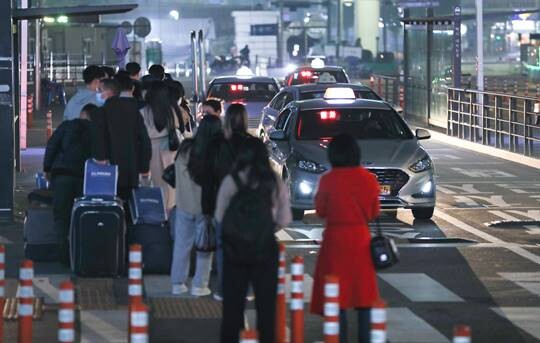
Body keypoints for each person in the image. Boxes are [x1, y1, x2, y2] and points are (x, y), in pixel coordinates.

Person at [215, 137, 292, 343]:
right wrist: (264, 228)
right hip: (265, 249)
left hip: (234, 251)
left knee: (233, 308)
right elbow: (284, 219)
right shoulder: (274, 181)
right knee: (267, 309)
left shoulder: (231, 181)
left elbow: (220, 216)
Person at [310, 134, 380, 343]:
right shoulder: (368, 179)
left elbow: (321, 210)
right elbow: (373, 212)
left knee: (335, 294)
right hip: (360, 240)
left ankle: (338, 338)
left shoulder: (328, 180)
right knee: (363, 295)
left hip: (334, 242)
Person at [170, 116, 222, 297]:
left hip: (184, 203)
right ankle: (199, 285)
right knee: (204, 246)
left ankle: (177, 283)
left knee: (181, 245)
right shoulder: (214, 152)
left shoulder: (185, 148)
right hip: (206, 207)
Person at [44, 103, 98, 265]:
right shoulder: (96, 131)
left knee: (61, 216)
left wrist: (48, 168)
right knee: (82, 216)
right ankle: (80, 254)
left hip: (62, 177)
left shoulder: (66, 126)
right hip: (84, 178)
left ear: (82, 113)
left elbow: (52, 146)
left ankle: (63, 253)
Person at [213, 103, 251, 300]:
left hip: (223, 200)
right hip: (248, 203)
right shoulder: (253, 144)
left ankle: (222, 289)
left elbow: (213, 172)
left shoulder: (219, 143)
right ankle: (246, 289)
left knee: (222, 247)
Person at [93, 79, 152, 203]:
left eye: (100, 90)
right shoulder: (133, 111)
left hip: (109, 171)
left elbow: (100, 141)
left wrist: (100, 159)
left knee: (112, 207)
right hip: (132, 171)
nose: (97, 93)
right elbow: (144, 140)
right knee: (131, 205)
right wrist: (144, 167)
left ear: (108, 92)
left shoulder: (101, 112)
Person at [140, 81, 180, 210]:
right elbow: (177, 128)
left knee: (152, 185)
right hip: (169, 151)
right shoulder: (172, 111)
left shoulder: (143, 112)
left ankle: (155, 212)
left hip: (149, 151)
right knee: (169, 186)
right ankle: (169, 212)